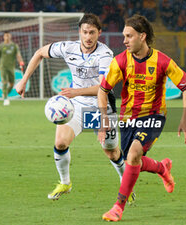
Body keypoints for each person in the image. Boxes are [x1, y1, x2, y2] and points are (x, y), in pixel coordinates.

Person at [15, 13, 135, 203]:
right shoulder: (67, 48)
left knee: (111, 152)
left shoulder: (104, 55)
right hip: (76, 107)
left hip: (101, 107)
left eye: (92, 33)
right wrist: (23, 80)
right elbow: (39, 53)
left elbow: (104, 88)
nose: (88, 37)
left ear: (99, 33)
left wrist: (76, 92)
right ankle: (65, 183)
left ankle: (125, 182)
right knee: (60, 143)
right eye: (85, 32)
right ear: (79, 32)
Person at [98, 14, 186, 222]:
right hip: (128, 117)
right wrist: (104, 119)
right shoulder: (120, 61)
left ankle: (118, 207)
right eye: (124, 36)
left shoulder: (162, 61)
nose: (124, 41)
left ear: (142, 36)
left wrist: (185, 119)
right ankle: (162, 168)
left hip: (154, 115)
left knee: (133, 155)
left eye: (129, 36)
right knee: (132, 160)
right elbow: (102, 90)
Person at [0, 31, 24, 106]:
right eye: (6, 36)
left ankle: (4, 94)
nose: (7, 37)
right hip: (3, 67)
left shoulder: (14, 46)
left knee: (12, 84)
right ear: (3, 37)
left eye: (8, 35)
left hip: (11, 67)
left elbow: (18, 55)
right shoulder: (1, 46)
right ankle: (6, 99)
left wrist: (21, 62)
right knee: (4, 82)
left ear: (10, 36)